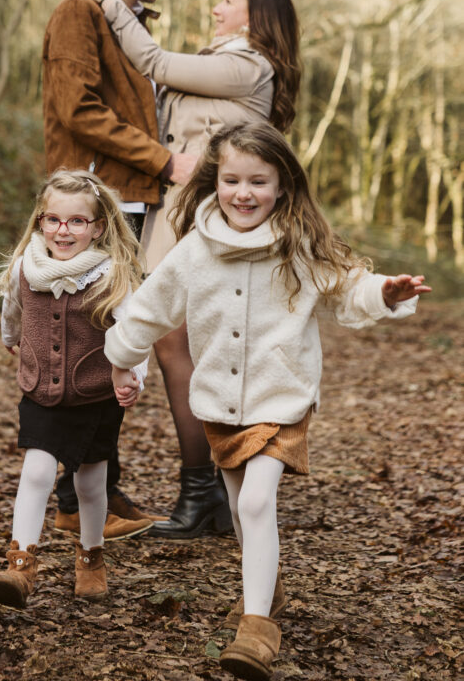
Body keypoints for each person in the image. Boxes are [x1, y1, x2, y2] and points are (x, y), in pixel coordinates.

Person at [104, 122, 430, 679]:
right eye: (232, 180)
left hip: (282, 396)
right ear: (214, 183)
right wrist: (121, 358)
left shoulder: (298, 244)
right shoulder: (195, 249)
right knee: (237, 506)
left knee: (255, 505)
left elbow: (348, 286)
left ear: (282, 185)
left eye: (259, 180)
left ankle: (257, 629)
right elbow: (149, 308)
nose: (244, 193)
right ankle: (268, 592)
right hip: (220, 401)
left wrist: (385, 293)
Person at [91, 0, 301, 538]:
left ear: (254, 18)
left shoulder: (249, 66)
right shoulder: (222, 62)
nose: (215, 7)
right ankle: (206, 490)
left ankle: (208, 488)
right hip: (177, 210)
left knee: (180, 343)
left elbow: (154, 62)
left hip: (208, 213)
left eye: (227, 0)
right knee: (178, 344)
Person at [42, 0, 198, 538]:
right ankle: (74, 497)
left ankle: (90, 489)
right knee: (94, 347)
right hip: (93, 200)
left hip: (127, 198)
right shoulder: (80, 12)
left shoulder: (127, 21)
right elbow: (76, 110)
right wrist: (165, 159)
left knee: (114, 344)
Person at [0, 169, 150, 609]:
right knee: (36, 472)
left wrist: (134, 376)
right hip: (40, 391)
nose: (64, 230)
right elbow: (13, 310)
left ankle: (91, 557)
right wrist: (11, 339)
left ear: (98, 227)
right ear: (40, 221)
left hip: (96, 395)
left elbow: (136, 332)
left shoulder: (112, 274)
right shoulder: (26, 266)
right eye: (54, 219)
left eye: (77, 221)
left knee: (91, 484)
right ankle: (20, 565)